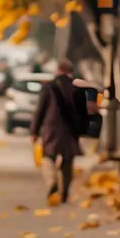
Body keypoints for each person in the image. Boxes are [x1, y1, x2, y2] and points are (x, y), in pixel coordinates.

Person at [30, 57, 89, 204]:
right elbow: (83, 112)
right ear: (70, 71)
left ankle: (52, 183)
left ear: (57, 70)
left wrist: (34, 131)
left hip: (52, 128)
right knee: (68, 161)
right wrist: (82, 130)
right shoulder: (77, 88)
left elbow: (40, 111)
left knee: (48, 157)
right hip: (70, 130)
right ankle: (65, 192)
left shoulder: (49, 87)